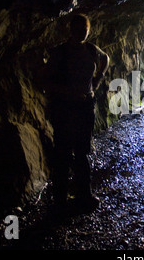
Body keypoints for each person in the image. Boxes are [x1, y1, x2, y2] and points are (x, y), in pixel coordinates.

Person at [43, 14, 109, 212]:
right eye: (78, 29)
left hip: (84, 107)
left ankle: (84, 195)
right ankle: (60, 200)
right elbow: (46, 82)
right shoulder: (60, 52)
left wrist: (98, 80)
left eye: (85, 29)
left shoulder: (90, 48)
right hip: (64, 108)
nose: (82, 32)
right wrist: (69, 92)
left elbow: (105, 58)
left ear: (88, 30)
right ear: (70, 30)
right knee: (62, 152)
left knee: (82, 151)